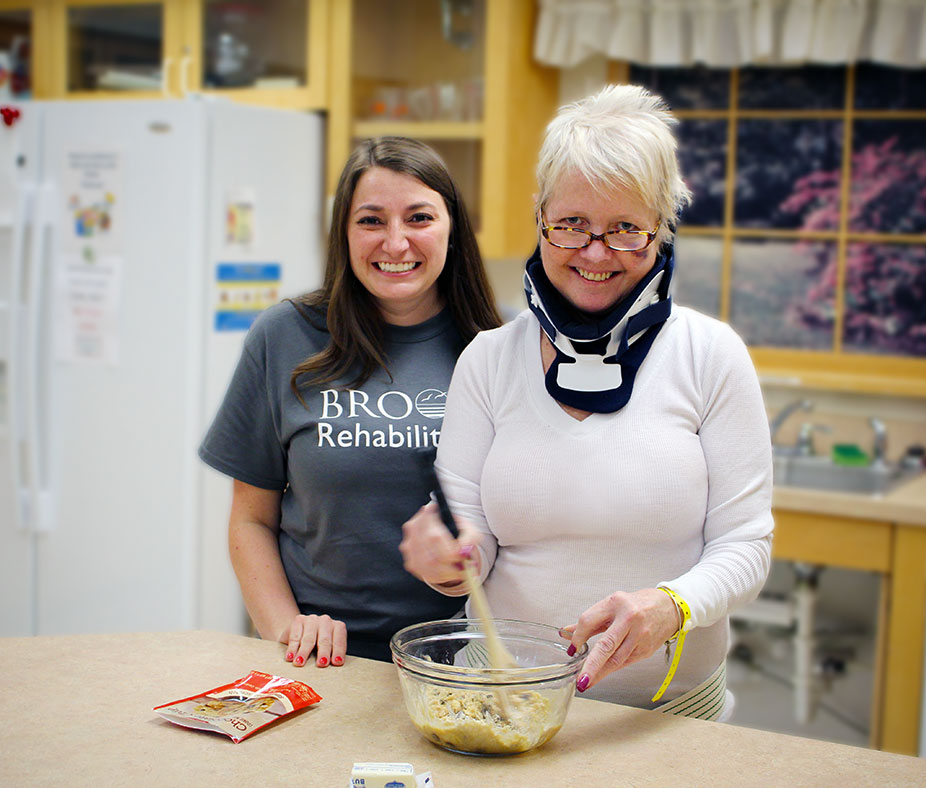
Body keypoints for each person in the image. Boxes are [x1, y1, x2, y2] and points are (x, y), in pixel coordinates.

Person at [399, 85, 774, 719]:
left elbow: (746, 547)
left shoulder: (710, 356)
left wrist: (672, 606)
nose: (595, 253)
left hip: (668, 721)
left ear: (661, 230)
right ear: (541, 215)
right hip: (500, 701)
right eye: (572, 224)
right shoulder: (488, 360)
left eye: (625, 229)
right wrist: (448, 558)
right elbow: (474, 537)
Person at [199, 136, 502, 668]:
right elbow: (249, 519)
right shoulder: (285, 336)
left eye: (419, 218)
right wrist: (286, 629)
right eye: (370, 220)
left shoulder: (497, 349)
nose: (395, 242)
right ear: (343, 233)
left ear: (452, 229)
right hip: (319, 660)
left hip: (461, 663)